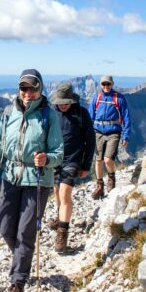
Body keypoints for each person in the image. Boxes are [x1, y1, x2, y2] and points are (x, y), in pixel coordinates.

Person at [0, 68, 64, 292]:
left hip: (37, 180)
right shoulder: (9, 112)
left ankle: (17, 284)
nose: (27, 92)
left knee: (25, 233)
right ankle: (23, 258)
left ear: (40, 89)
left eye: (32, 88)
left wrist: (46, 159)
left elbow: (59, 152)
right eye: (23, 88)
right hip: (11, 177)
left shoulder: (48, 116)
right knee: (4, 226)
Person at [47, 83, 95, 253]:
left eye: (66, 102)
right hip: (54, 160)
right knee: (55, 191)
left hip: (72, 160)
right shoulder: (52, 114)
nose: (63, 105)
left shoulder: (81, 114)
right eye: (60, 102)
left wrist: (86, 164)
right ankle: (59, 216)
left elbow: (90, 141)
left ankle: (62, 233)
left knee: (64, 192)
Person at [87, 75, 131, 199]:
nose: (106, 87)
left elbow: (126, 118)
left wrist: (126, 136)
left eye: (108, 84)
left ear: (112, 84)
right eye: (103, 84)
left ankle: (111, 179)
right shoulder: (97, 97)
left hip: (113, 132)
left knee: (107, 159)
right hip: (98, 132)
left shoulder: (119, 98)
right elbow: (90, 116)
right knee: (98, 160)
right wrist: (87, 133)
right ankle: (99, 186)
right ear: (100, 85)